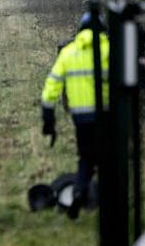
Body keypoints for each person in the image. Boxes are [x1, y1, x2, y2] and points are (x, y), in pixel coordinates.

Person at [40, 12, 110, 219]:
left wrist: (48, 117)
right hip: (105, 115)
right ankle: (107, 201)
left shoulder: (69, 52)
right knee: (108, 157)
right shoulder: (110, 49)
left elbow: (51, 87)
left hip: (81, 118)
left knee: (86, 157)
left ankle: (79, 192)